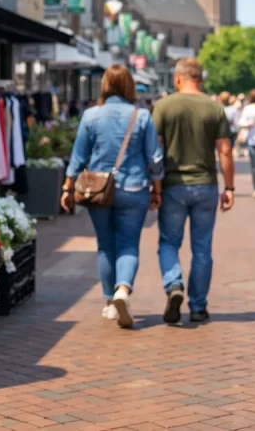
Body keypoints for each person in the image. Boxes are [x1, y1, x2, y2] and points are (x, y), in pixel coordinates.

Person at [61, 65, 164, 328]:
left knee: (106, 245)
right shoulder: (141, 116)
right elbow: (155, 157)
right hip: (134, 188)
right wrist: (157, 188)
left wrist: (67, 187)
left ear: (104, 85)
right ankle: (123, 290)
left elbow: (78, 156)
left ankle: (109, 303)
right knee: (129, 244)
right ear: (130, 86)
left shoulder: (91, 115)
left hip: (98, 190)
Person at [152, 58, 235, 324]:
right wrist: (230, 187)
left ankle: (174, 284)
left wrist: (155, 187)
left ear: (177, 78)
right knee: (202, 248)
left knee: (168, 243)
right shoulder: (214, 108)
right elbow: (225, 150)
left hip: (173, 185)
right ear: (200, 79)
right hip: (205, 185)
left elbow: (156, 151)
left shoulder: (164, 106)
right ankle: (198, 307)